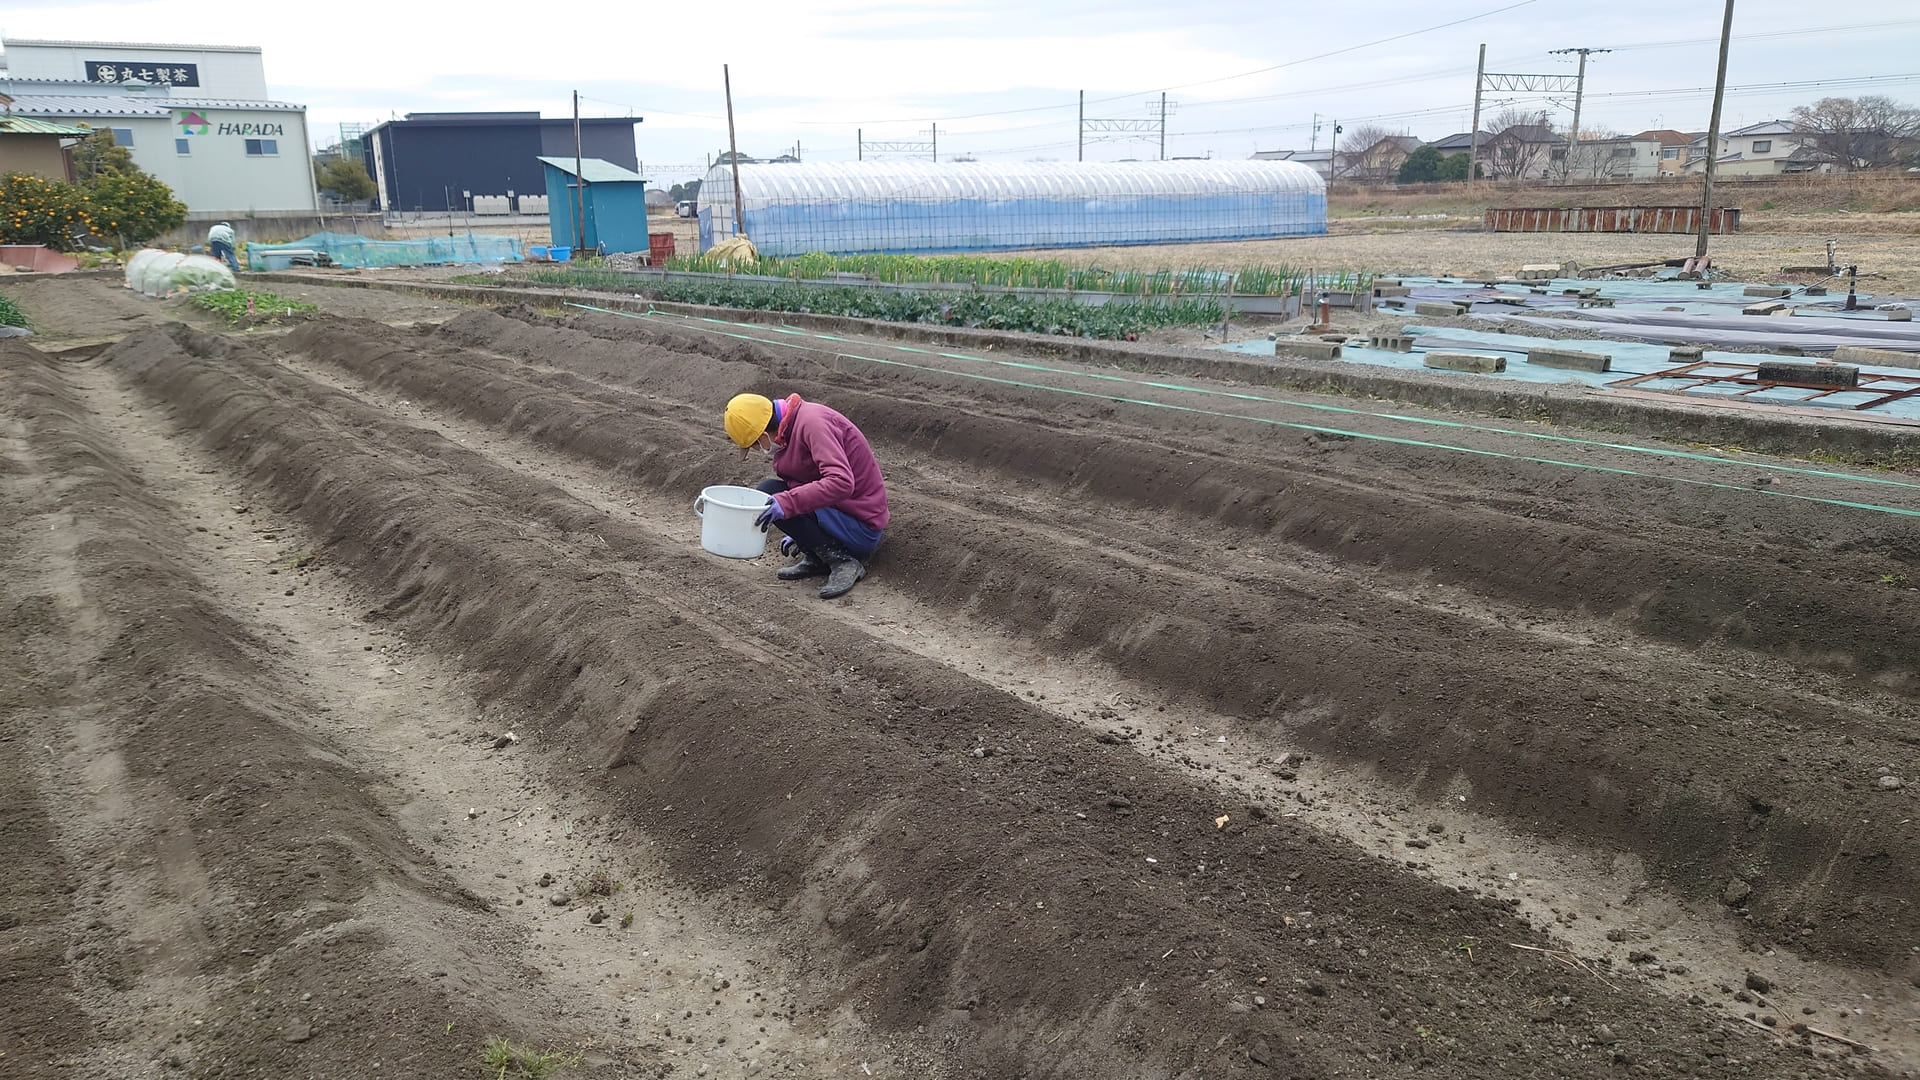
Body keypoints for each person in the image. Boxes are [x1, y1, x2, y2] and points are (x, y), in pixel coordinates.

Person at [723, 392, 888, 600]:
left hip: (860, 526)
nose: (758, 450)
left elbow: (841, 482)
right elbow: (806, 481)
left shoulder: (813, 424)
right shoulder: (789, 433)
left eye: (755, 445)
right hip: (838, 513)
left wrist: (788, 505)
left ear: (764, 436)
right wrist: (803, 531)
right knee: (772, 492)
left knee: (772, 494)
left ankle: (842, 561)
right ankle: (818, 557)